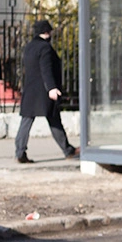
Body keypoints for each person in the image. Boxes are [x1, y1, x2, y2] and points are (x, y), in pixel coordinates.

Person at [15, 20, 78, 164]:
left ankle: (20, 152)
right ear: (46, 32)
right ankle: (68, 150)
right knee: (54, 119)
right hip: (44, 91)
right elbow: (46, 69)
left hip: (30, 90)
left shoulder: (29, 47)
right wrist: (51, 88)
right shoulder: (45, 48)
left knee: (26, 121)